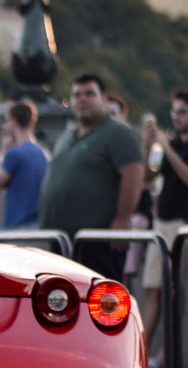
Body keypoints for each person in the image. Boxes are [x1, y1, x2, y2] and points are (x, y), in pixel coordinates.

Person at [37, 73, 144, 281]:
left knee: (98, 305)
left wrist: (122, 218)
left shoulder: (118, 133)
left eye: (89, 94)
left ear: (105, 99)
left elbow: (133, 175)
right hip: (60, 240)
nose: (82, 99)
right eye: (76, 95)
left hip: (96, 241)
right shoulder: (68, 134)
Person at [140, 90, 188, 352]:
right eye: (174, 112)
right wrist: (148, 146)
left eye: (182, 112)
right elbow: (148, 178)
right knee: (152, 289)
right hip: (161, 223)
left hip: (186, 225)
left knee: (172, 289)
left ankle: (167, 354)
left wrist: (169, 149)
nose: (176, 117)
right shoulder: (168, 145)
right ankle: (140, 351)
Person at [0, 101, 46, 229]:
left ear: (13, 122)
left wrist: (3, 152)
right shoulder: (43, 153)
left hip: (16, 226)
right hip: (38, 226)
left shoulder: (14, 154)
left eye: (7, 121)